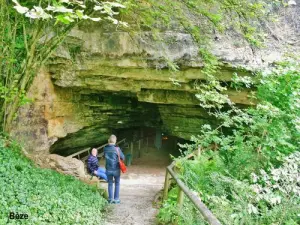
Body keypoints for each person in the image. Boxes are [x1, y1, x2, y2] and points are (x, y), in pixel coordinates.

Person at [104, 134, 125, 204]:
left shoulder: (105, 148)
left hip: (108, 169)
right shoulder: (117, 149)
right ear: (115, 141)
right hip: (116, 169)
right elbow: (123, 157)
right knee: (117, 183)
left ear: (109, 140)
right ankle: (116, 199)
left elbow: (105, 156)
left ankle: (110, 199)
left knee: (110, 184)